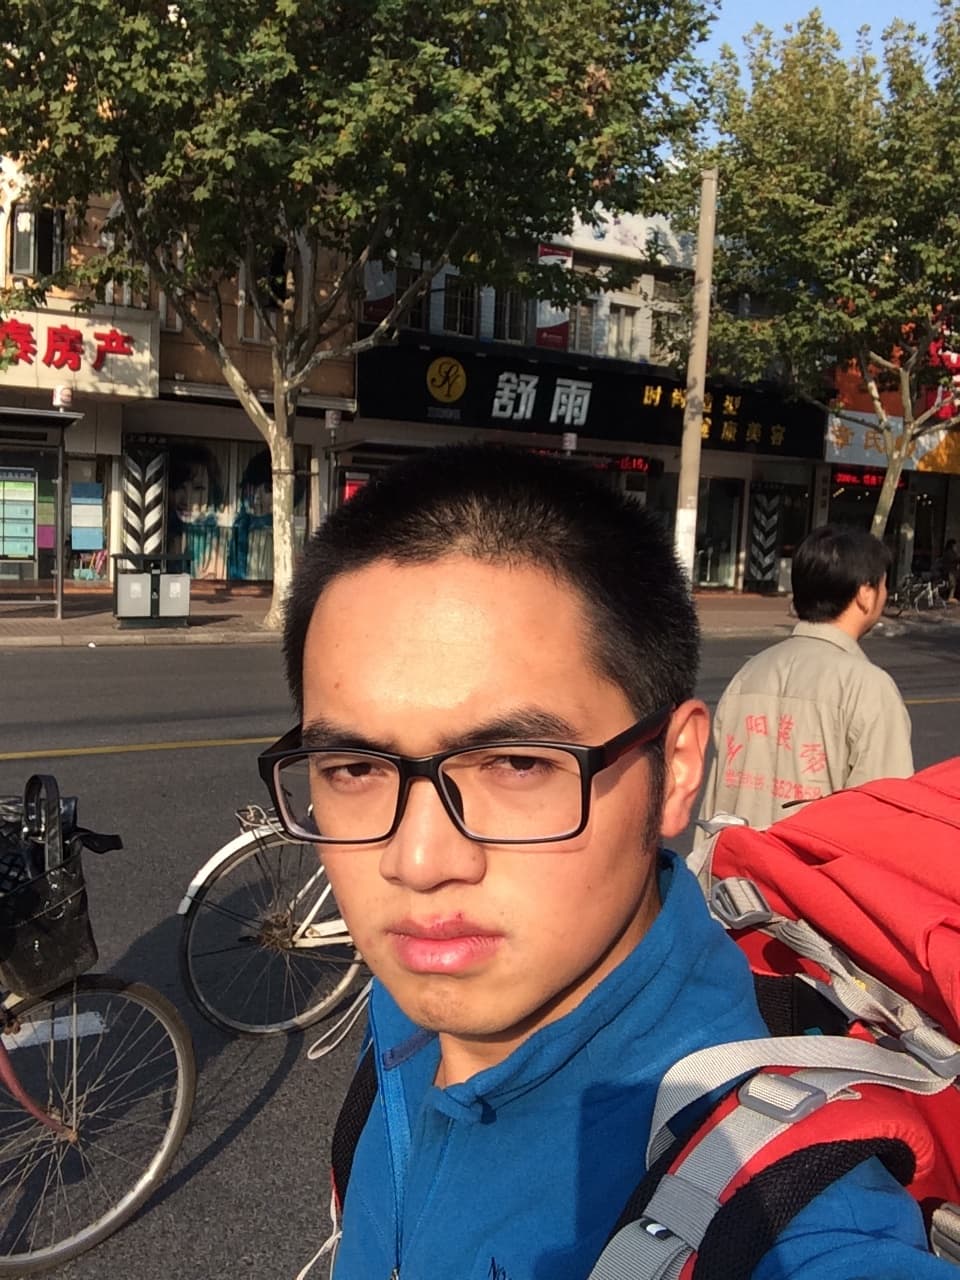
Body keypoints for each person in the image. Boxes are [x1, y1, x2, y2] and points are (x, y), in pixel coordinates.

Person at [272, 450, 943, 1280]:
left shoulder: (795, 1224)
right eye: (356, 769)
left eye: (518, 764)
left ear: (679, 770)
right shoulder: (407, 1014)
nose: (417, 861)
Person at [699, 524, 913, 831]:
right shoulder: (868, 688)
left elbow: (716, 805)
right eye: (882, 585)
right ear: (865, 594)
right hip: (809, 877)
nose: (885, 595)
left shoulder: (748, 675)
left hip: (732, 875)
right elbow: (884, 822)